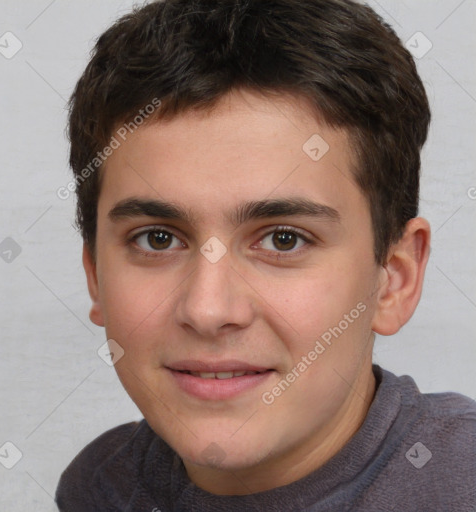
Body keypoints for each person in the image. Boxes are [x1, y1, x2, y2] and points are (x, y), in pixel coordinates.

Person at [55, 0, 476, 510]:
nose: (208, 310)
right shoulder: (101, 488)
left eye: (283, 239)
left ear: (395, 278)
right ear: (95, 273)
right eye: (158, 239)